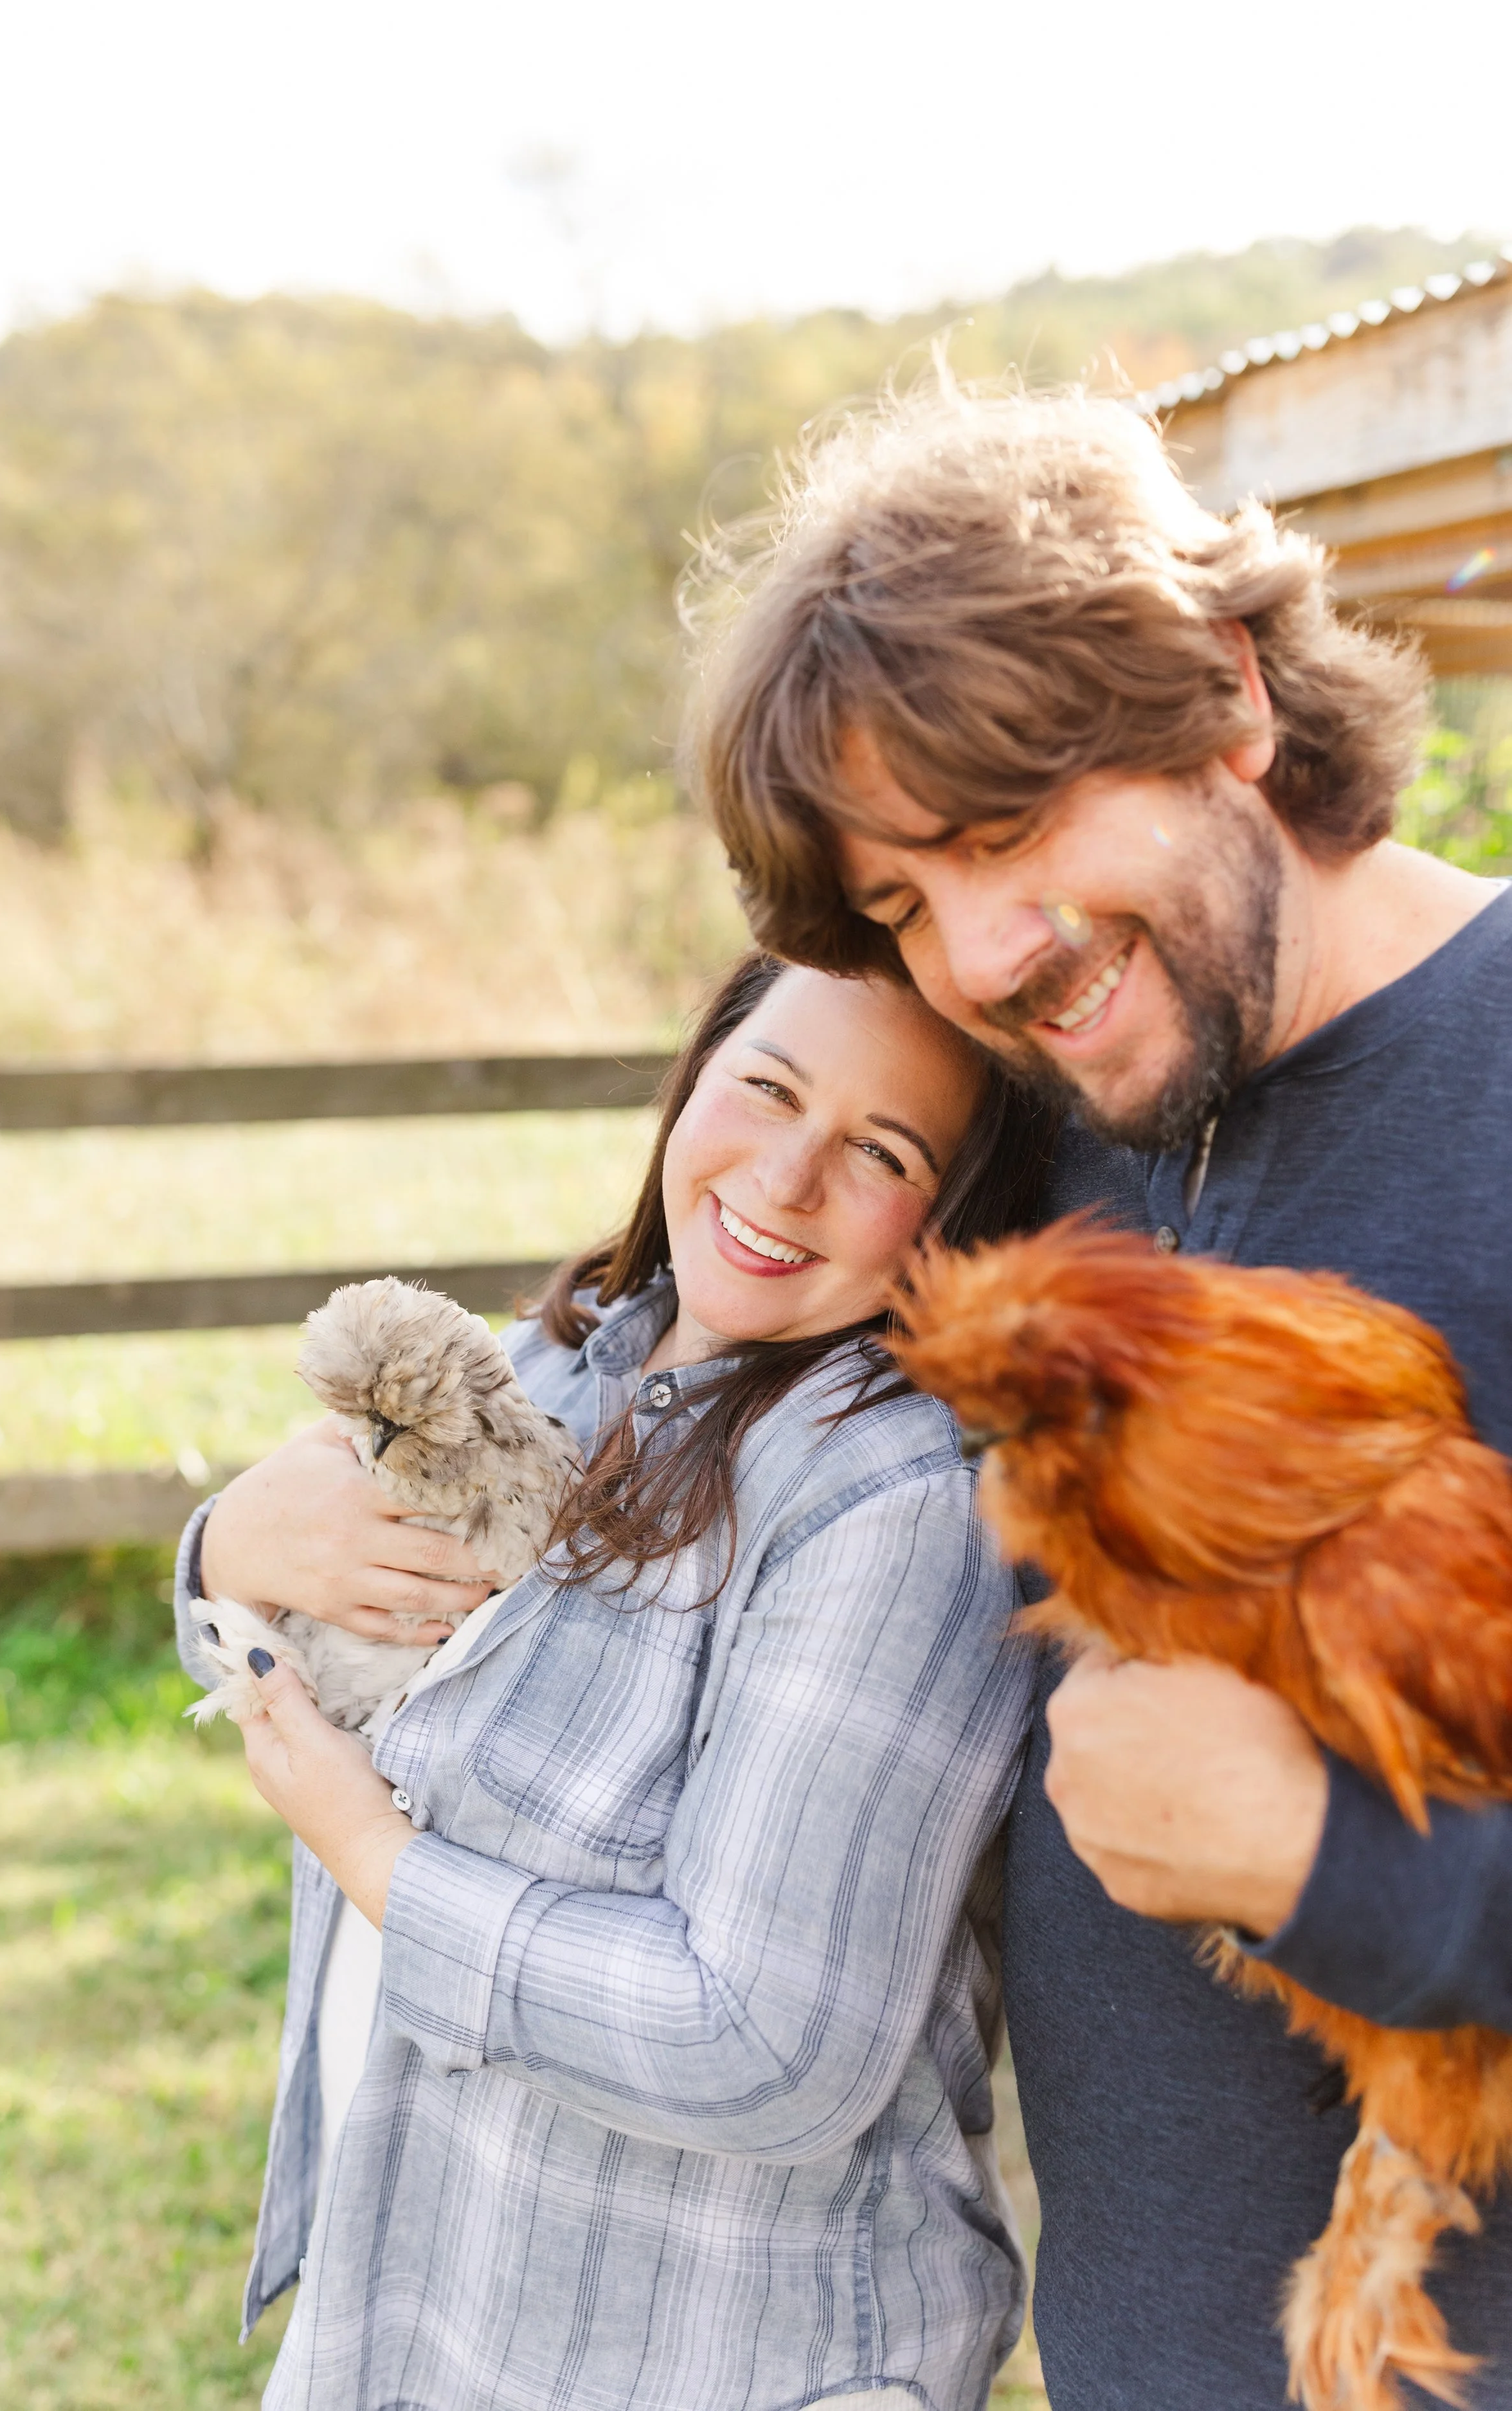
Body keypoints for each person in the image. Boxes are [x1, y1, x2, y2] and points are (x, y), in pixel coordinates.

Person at [687, 384, 1512, 2408]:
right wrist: (252, 1539)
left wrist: (1328, 1864)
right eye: (897, 899)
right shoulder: (1046, 1131)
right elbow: (675, 1374)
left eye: (1006, 829)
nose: (973, 949)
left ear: (1227, 692)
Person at [176, 950, 1059, 2411]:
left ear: (949, 1225)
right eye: (765, 1086)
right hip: (428, 2307)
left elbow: (769, 2046)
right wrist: (223, 1553)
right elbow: (318, 1665)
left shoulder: (886, 1516)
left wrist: (376, 1859)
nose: (782, 1180)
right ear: (694, 1075)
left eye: (880, 1152)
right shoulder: (553, 1374)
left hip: (718, 2360)